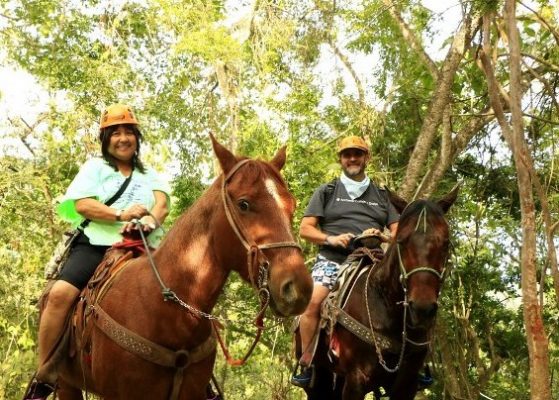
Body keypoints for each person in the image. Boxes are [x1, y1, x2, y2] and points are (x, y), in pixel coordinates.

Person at [24, 104, 170, 400]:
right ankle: (46, 375)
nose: (123, 138)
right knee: (59, 296)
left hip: (144, 248)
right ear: (106, 139)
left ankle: (198, 377)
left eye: (129, 131)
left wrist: (149, 219)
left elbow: (162, 204)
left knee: (181, 295)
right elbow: (82, 205)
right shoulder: (94, 168)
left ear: (136, 137)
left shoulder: (149, 173)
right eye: (115, 132)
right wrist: (121, 214)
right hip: (96, 244)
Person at [291, 135, 399, 388]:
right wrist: (331, 238)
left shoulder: (382, 194)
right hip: (333, 260)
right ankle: (306, 363)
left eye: (358, 154)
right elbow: (305, 229)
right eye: (347, 154)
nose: (352, 158)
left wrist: (382, 235)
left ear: (366, 158)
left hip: (374, 261)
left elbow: (399, 231)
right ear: (340, 159)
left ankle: (418, 365)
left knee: (412, 300)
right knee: (311, 304)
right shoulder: (327, 191)